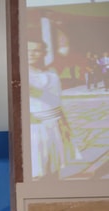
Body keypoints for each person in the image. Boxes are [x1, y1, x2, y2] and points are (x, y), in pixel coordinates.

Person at [28, 40, 81, 180]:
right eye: (28, 50)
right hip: (35, 126)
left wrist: (63, 122)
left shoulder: (51, 73)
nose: (32, 54)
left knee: (54, 166)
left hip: (54, 122)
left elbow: (56, 100)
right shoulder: (20, 74)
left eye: (37, 50)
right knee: (38, 168)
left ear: (44, 53)